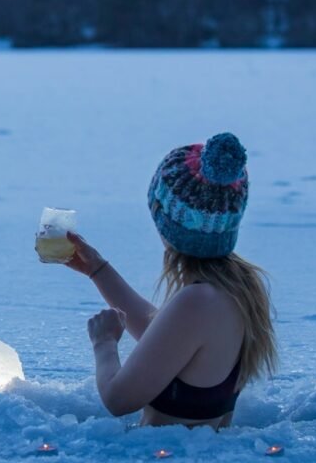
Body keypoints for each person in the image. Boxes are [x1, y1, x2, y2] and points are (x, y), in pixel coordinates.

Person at [66, 132, 277, 429]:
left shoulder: (198, 301)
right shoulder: (237, 289)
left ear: (165, 221)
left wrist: (104, 342)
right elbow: (167, 340)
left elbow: (118, 399)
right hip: (192, 462)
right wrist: (97, 271)